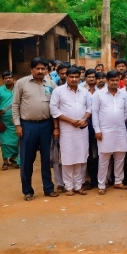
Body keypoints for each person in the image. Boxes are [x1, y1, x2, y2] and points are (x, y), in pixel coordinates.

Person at [13, 58, 59, 200]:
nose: (40, 71)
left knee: (47, 159)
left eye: (43, 69)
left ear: (46, 70)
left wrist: (55, 126)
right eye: (37, 69)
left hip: (46, 125)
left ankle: (48, 188)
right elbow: (15, 105)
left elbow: (56, 104)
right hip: (28, 126)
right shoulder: (22, 83)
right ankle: (28, 191)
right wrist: (18, 125)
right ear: (31, 70)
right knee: (27, 159)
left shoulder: (51, 83)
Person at [50, 67, 91, 196]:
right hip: (66, 129)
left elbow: (90, 107)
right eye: (71, 77)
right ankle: (69, 187)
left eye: (76, 77)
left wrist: (84, 119)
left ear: (80, 78)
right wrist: (70, 121)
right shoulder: (58, 91)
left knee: (80, 157)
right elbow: (53, 109)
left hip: (82, 129)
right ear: (66, 77)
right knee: (68, 158)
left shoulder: (84, 92)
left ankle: (78, 185)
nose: (74, 79)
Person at [91, 70, 127, 195]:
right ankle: (101, 184)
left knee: (120, 157)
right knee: (104, 159)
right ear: (107, 81)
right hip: (104, 131)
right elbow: (95, 113)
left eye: (116, 80)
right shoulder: (99, 94)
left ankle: (118, 181)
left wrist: (118, 121)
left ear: (119, 80)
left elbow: (126, 111)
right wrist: (97, 130)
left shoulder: (123, 94)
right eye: (112, 80)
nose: (114, 83)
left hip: (120, 130)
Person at [0, 71, 20, 170]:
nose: (8, 79)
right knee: (4, 142)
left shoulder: (18, 88)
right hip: (4, 122)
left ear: (13, 78)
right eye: (6, 78)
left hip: (17, 120)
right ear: (3, 79)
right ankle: (5, 161)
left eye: (10, 77)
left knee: (18, 141)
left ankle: (15, 159)